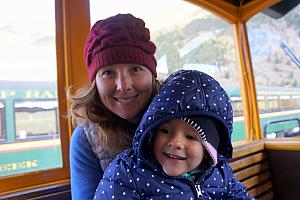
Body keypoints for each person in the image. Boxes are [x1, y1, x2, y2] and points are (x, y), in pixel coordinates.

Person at [94, 70, 254, 199]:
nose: (175, 142)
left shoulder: (219, 172)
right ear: (152, 133)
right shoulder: (127, 172)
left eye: (191, 137)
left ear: (209, 148)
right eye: (165, 131)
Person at [69, 13, 159, 200]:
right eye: (108, 72)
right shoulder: (85, 139)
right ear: (95, 83)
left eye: (135, 69)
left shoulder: (183, 117)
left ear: (152, 75)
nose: (123, 85)